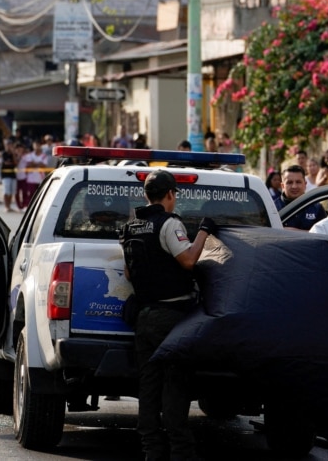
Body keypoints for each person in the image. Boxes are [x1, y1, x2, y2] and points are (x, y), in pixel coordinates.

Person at [121, 169, 213, 461]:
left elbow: (127, 271)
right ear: (171, 194)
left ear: (145, 195)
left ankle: (152, 452)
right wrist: (204, 231)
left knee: (148, 387)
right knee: (175, 384)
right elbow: (187, 260)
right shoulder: (169, 223)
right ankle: (182, 453)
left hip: (143, 318)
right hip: (171, 317)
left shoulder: (131, 225)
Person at [281, 165, 326, 230]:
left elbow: (323, 234)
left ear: (305, 184)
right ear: (282, 186)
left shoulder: (317, 208)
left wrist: (294, 232)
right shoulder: (273, 208)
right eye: (290, 182)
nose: (294, 186)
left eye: (298, 182)